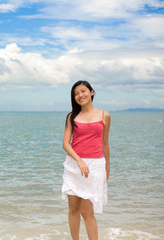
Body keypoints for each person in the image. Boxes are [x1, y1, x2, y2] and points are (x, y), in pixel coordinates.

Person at [61, 80, 111, 240]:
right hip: (74, 166)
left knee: (87, 211)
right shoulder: (72, 117)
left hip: (95, 166)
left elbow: (105, 144)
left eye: (83, 91)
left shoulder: (105, 115)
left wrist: (107, 168)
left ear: (91, 92)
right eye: (76, 93)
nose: (80, 95)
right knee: (73, 209)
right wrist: (79, 160)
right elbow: (65, 144)